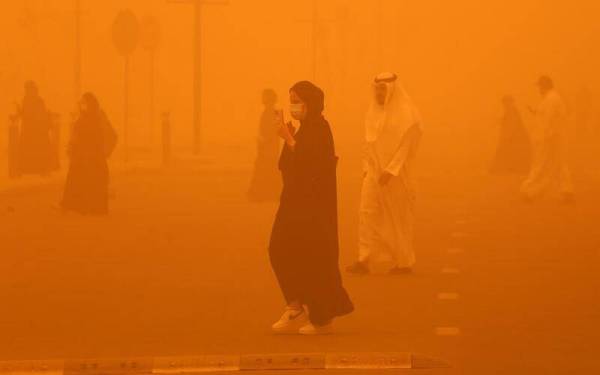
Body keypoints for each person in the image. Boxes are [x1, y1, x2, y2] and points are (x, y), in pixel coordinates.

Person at [269, 81, 353, 335]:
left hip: (313, 209)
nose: (293, 105)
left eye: (297, 100)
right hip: (293, 203)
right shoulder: (304, 129)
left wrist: (290, 140)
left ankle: (321, 317)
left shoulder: (320, 129)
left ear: (310, 103)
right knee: (278, 248)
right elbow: (287, 166)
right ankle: (294, 304)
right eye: (290, 99)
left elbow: (314, 164)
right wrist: (289, 138)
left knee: (314, 258)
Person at [347, 72, 423, 276]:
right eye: (377, 89)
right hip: (373, 172)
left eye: (383, 89)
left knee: (398, 216)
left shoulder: (408, 114)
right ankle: (364, 259)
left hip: (398, 176)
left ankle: (404, 261)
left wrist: (391, 171)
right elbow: (368, 144)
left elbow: (406, 147)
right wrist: (366, 169)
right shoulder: (373, 112)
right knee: (367, 212)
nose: (379, 93)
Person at [61, 93, 117, 215]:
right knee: (79, 180)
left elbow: (111, 135)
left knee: (94, 182)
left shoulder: (99, 117)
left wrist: (105, 152)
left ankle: (95, 208)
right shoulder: (81, 118)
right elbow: (76, 135)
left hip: (95, 157)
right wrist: (72, 148)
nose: (82, 106)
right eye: (81, 104)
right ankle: (79, 207)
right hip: (82, 157)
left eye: (84, 103)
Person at [521, 76, 574, 203]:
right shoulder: (552, 98)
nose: (538, 89)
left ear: (544, 86)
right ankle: (566, 191)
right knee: (558, 163)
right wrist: (534, 111)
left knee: (541, 164)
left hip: (550, 137)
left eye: (539, 86)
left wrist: (543, 137)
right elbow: (547, 115)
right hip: (555, 136)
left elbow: (549, 119)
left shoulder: (551, 99)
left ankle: (529, 190)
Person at [247, 89, 282, 202]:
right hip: (269, 147)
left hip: (268, 148)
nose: (262, 98)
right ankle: (269, 194)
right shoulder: (273, 113)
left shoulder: (271, 113)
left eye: (264, 96)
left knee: (266, 169)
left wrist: (264, 142)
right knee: (269, 170)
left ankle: (262, 194)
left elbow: (273, 131)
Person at [15, 81, 53, 176]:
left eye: (28, 89)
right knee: (34, 150)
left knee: (35, 150)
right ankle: (37, 170)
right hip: (33, 130)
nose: (26, 91)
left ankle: (39, 170)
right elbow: (26, 114)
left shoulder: (34, 100)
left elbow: (30, 114)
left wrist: (20, 111)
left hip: (34, 130)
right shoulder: (32, 100)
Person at [490, 95, 531, 175]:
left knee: (510, 151)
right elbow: (508, 122)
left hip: (515, 136)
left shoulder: (512, 111)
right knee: (509, 152)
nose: (505, 105)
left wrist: (507, 136)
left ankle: (500, 168)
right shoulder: (510, 111)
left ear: (510, 103)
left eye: (506, 103)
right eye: (504, 103)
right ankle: (506, 168)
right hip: (513, 136)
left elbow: (513, 124)